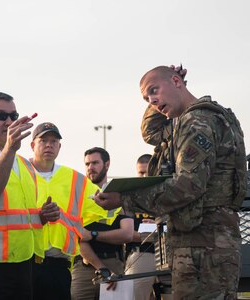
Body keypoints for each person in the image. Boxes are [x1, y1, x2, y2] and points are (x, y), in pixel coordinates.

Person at [94, 65, 247, 299]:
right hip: (203, 240)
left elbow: (187, 185)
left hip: (203, 242)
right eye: (147, 98)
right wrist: (159, 99)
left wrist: (123, 199)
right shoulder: (185, 121)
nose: (153, 100)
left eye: (154, 91)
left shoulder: (197, 123)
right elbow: (150, 131)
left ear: (177, 81)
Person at [0, 93, 60, 300]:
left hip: (23, 262)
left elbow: (20, 214)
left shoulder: (24, 163)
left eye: (13, 115)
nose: (9, 121)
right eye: (0, 115)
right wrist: (9, 149)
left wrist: (43, 216)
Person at [29, 123, 117, 300]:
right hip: (24, 260)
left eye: (54, 141)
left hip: (58, 263)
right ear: (32, 145)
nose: (49, 145)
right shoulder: (19, 171)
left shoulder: (75, 179)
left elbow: (108, 207)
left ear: (59, 147)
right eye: (43, 140)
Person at [71, 147, 134, 300]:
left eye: (95, 163)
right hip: (83, 267)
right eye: (87, 164)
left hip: (114, 263)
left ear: (107, 164)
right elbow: (78, 238)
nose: (90, 168)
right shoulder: (77, 195)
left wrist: (92, 235)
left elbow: (127, 234)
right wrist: (102, 268)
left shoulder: (120, 195)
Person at [124, 154, 157, 300]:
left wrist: (158, 229)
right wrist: (156, 232)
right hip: (140, 255)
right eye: (140, 173)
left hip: (168, 255)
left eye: (147, 173)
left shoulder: (167, 195)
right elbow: (128, 234)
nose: (143, 177)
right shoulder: (130, 199)